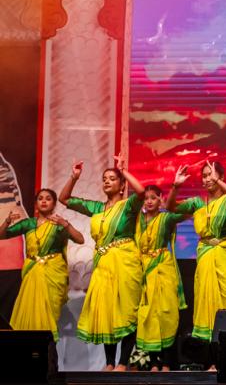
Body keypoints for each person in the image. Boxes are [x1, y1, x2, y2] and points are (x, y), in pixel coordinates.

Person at [59, 156, 145, 371]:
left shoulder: (128, 206)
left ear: (122, 185)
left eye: (112, 178)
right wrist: (74, 177)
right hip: (104, 265)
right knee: (107, 312)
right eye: (104, 179)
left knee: (127, 311)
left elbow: (141, 192)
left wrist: (124, 171)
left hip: (125, 263)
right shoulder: (97, 208)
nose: (107, 181)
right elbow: (64, 198)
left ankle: (123, 362)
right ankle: (109, 363)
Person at [166, 160, 226, 360]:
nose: (208, 179)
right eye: (205, 175)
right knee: (206, 305)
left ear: (221, 177)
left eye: (212, 175)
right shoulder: (197, 203)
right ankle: (212, 360)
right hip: (206, 256)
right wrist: (176, 186)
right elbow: (170, 207)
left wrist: (220, 182)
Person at [0, 187, 84, 343]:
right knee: (30, 311)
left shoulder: (58, 224)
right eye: (40, 198)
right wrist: (7, 222)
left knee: (48, 315)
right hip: (32, 273)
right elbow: (1, 235)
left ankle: (48, 350)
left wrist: (66, 225)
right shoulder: (28, 224)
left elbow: (80, 239)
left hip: (53, 275)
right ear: (36, 204)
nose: (44, 201)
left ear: (54, 204)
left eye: (48, 198)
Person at [136, 180, 189, 371]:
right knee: (149, 316)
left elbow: (188, 212)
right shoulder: (137, 221)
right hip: (144, 270)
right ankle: (153, 363)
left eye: (154, 198)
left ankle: (167, 363)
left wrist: (171, 202)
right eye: (146, 198)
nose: (149, 201)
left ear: (161, 199)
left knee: (167, 314)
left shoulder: (166, 218)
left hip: (163, 269)